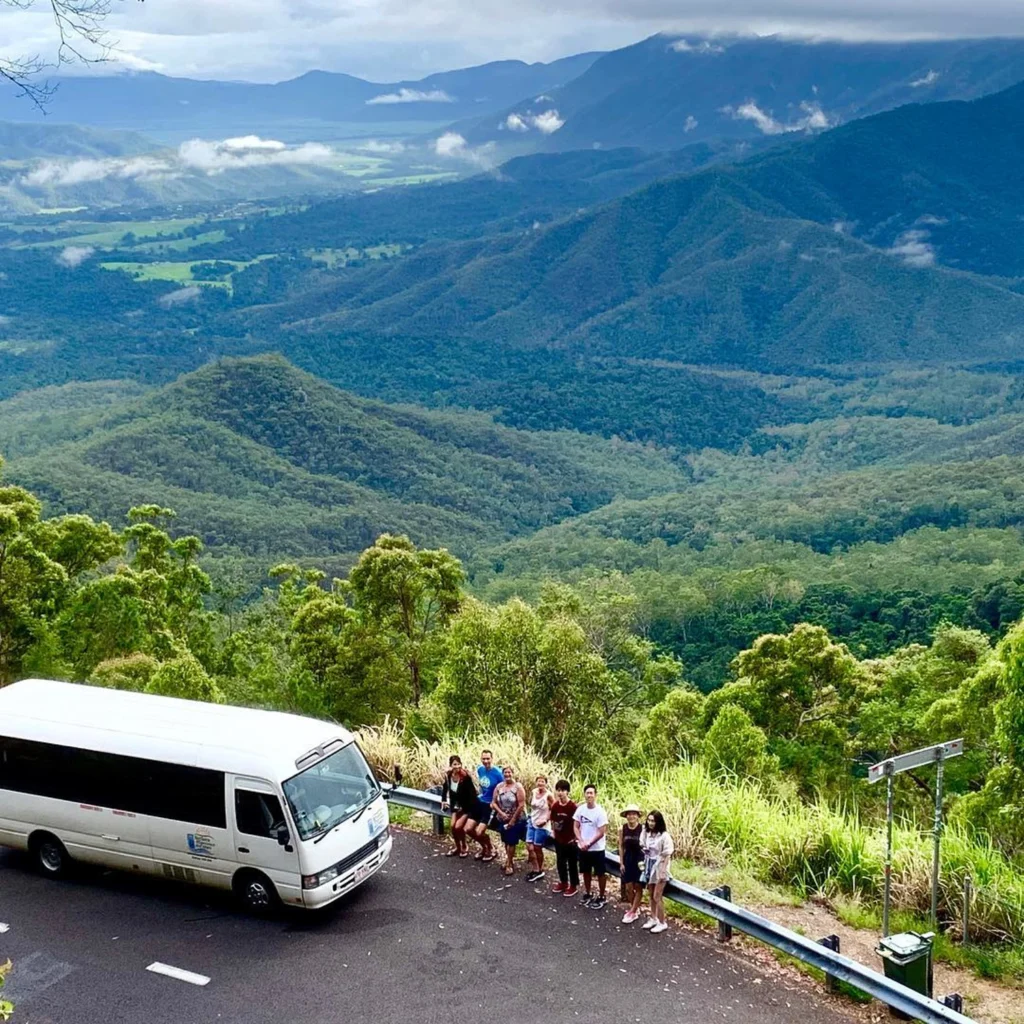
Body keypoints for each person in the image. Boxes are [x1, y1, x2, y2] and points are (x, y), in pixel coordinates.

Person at [573, 784, 609, 909]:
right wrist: (581, 841)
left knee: (600, 873)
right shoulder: (581, 809)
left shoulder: (600, 812)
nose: (589, 795)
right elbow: (576, 826)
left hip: (597, 848)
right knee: (586, 872)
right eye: (587, 793)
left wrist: (589, 843)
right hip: (583, 848)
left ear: (595, 795)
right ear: (584, 794)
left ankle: (602, 896)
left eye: (591, 793)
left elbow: (601, 831)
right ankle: (588, 893)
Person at [641, 810, 674, 934]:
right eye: (649, 820)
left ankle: (662, 921)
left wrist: (663, 871)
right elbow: (643, 846)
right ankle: (653, 917)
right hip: (649, 864)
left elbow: (667, 854)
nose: (650, 823)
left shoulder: (664, 836)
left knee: (657, 895)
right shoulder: (646, 833)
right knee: (650, 894)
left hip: (660, 865)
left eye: (653, 821)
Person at [441, 757, 481, 858]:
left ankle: (464, 845)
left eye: (459, 764)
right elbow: (445, 788)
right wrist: (444, 800)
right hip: (455, 805)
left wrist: (466, 808)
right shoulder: (448, 776)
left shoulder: (465, 777)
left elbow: (472, 794)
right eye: (454, 764)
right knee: (453, 827)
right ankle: (457, 847)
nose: (457, 766)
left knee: (458, 826)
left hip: (466, 807)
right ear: (451, 765)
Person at [467, 749, 502, 862]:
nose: (486, 761)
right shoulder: (480, 769)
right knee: (468, 829)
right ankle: (484, 847)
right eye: (483, 759)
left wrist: (497, 805)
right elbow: (482, 786)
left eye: (488, 758)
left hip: (490, 805)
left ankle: (491, 849)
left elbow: (503, 789)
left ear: (492, 759)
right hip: (480, 802)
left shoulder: (498, 773)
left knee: (479, 832)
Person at [491, 765, 526, 875]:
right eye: (505, 772)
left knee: (511, 842)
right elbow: (493, 803)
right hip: (502, 818)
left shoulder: (518, 787)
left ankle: (510, 864)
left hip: (516, 819)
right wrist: (501, 813)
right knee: (506, 840)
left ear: (513, 773)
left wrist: (513, 819)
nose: (507, 775)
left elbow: (521, 805)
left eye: (509, 772)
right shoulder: (499, 786)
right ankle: (508, 860)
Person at [549, 779, 579, 897]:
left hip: (570, 840)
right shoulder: (555, 805)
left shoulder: (572, 807)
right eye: (558, 790)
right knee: (560, 862)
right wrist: (554, 833)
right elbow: (552, 820)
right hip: (559, 839)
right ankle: (563, 882)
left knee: (572, 864)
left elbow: (577, 823)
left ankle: (573, 886)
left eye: (563, 790)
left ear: (567, 792)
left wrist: (575, 838)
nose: (560, 793)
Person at [525, 774, 554, 883]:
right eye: (539, 781)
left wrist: (546, 820)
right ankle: (535, 868)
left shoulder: (549, 796)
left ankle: (539, 870)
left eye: (543, 782)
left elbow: (553, 809)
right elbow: (530, 805)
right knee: (529, 846)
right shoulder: (533, 792)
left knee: (537, 847)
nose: (540, 784)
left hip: (542, 825)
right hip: (532, 822)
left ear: (546, 783)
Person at [618, 804, 645, 923]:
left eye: (634, 814)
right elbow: (620, 846)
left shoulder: (643, 829)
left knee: (638, 886)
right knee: (629, 887)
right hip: (628, 859)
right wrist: (621, 862)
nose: (631, 816)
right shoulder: (622, 829)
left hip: (639, 859)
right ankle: (633, 908)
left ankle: (633, 911)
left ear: (638, 816)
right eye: (629, 814)